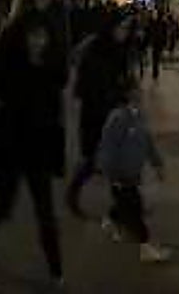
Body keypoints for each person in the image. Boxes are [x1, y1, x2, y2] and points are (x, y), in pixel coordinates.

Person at [0, 13, 69, 288]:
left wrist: (56, 155)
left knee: (46, 212)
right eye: (33, 36)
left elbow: (56, 116)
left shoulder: (49, 70)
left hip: (37, 151)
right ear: (23, 37)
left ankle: (56, 271)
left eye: (42, 36)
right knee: (4, 203)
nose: (38, 42)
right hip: (10, 148)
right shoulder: (7, 63)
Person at [96, 82, 171, 263]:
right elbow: (108, 147)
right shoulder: (118, 118)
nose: (140, 96)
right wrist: (111, 172)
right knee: (134, 209)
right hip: (121, 174)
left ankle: (111, 219)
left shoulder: (138, 117)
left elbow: (148, 142)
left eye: (139, 93)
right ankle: (145, 246)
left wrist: (157, 164)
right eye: (136, 93)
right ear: (127, 96)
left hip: (131, 174)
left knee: (126, 204)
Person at [67, 15, 132, 217]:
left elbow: (121, 81)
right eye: (121, 27)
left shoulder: (119, 51)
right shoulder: (95, 51)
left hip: (111, 114)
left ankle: (122, 205)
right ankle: (73, 194)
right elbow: (86, 87)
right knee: (93, 161)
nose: (124, 32)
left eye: (127, 28)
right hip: (94, 115)